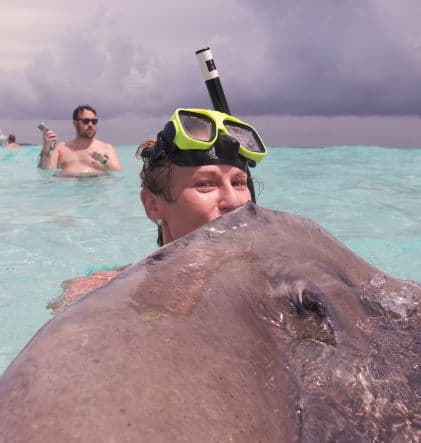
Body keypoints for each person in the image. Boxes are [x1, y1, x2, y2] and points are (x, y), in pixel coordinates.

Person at [49, 107, 267, 312]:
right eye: (204, 184)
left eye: (239, 183)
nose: (233, 201)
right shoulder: (95, 292)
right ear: (153, 205)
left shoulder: (275, 285)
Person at [38, 104, 121, 175]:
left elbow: (118, 172)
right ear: (75, 123)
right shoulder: (61, 148)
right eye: (86, 121)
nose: (90, 124)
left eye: (94, 121)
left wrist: (103, 161)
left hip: (95, 190)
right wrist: (46, 148)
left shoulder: (106, 148)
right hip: (69, 190)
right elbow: (46, 173)